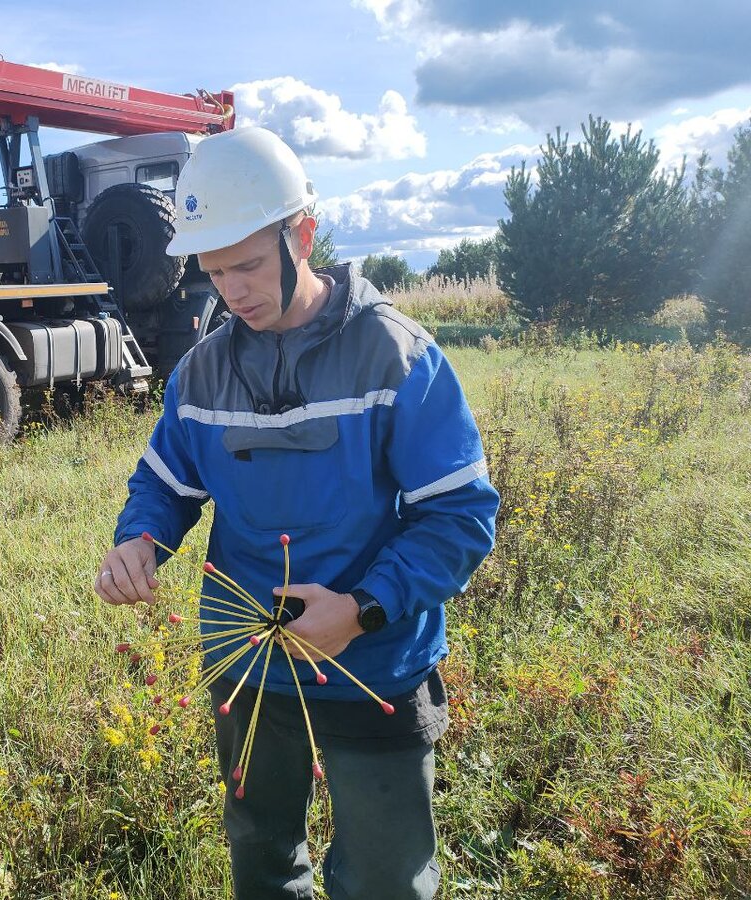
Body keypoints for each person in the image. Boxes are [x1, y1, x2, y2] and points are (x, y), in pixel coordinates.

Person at [94, 126, 499, 900]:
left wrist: (361, 609)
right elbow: (166, 484)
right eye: (214, 272)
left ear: (301, 235)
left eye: (247, 264)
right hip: (248, 664)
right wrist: (140, 541)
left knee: (386, 876)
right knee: (260, 847)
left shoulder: (396, 356)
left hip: (372, 665)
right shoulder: (203, 371)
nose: (233, 290)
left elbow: (461, 515)